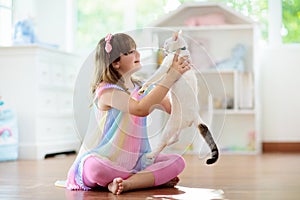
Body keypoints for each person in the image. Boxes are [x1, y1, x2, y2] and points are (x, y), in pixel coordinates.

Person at [66, 33, 191, 195]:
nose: (137, 54)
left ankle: (127, 183)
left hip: (137, 161)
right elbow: (140, 109)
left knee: (177, 162)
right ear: (116, 62)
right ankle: (144, 180)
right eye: (131, 52)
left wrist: (177, 78)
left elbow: (172, 108)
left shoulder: (142, 87)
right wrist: (169, 77)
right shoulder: (107, 90)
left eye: (136, 50)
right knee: (94, 168)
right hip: (105, 159)